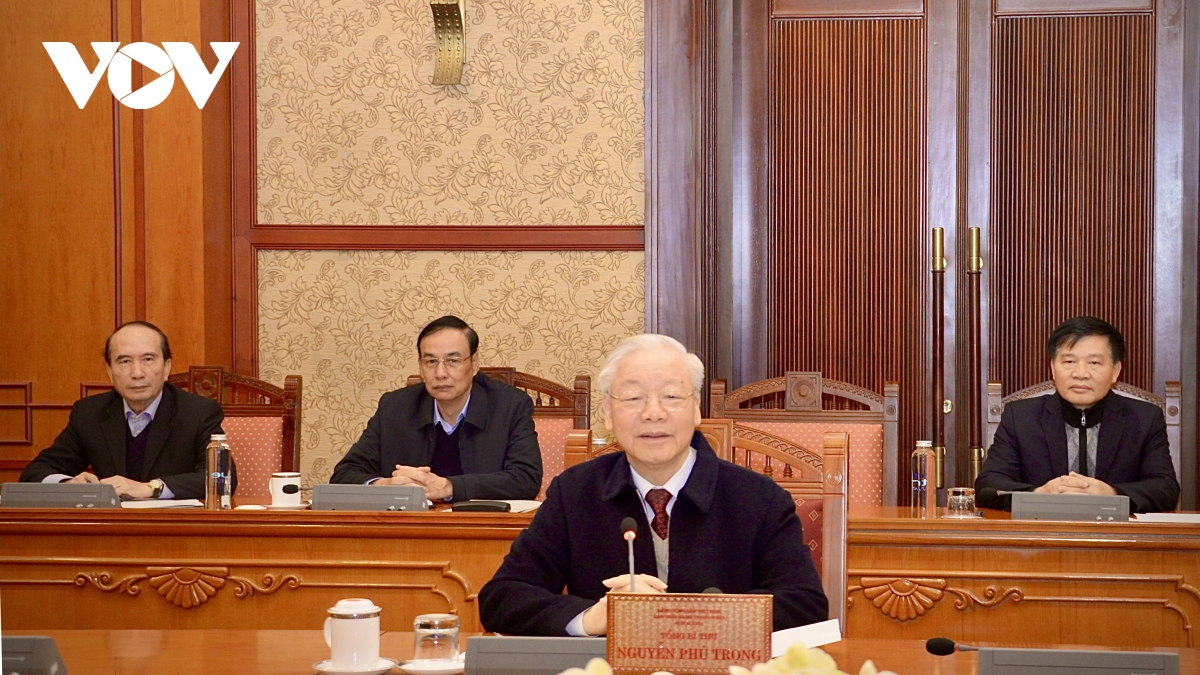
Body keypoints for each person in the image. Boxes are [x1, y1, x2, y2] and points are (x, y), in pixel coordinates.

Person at [478, 334, 828, 636]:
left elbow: (805, 604)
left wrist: (691, 617)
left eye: (671, 397)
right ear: (608, 412)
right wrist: (591, 617)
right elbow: (502, 598)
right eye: (633, 398)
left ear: (696, 408)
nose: (653, 413)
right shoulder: (575, 492)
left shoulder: (759, 498)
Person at [975, 316, 1178, 513]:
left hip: (1115, 533)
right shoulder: (1020, 417)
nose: (1081, 374)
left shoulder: (1145, 419)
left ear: (1116, 371)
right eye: (1069, 361)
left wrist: (1112, 493)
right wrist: (1039, 494)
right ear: (1053, 368)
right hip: (1041, 532)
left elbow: (1166, 488)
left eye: (1094, 363)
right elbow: (988, 486)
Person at [330, 316, 542, 501]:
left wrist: (449, 487)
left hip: (480, 526)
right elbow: (343, 475)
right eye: (431, 361)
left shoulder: (510, 405)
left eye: (453, 360)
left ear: (475, 363)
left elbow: (526, 479)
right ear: (421, 367)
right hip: (412, 528)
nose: (440, 373)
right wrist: (384, 486)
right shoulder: (395, 407)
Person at [20, 321, 229, 500]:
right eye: (125, 361)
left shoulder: (198, 412)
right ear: (110, 371)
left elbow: (220, 477)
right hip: (111, 528)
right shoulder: (89, 413)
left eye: (148, 359)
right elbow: (35, 472)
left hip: (173, 527)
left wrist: (150, 488)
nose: (137, 373)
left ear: (167, 367)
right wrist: (68, 484)